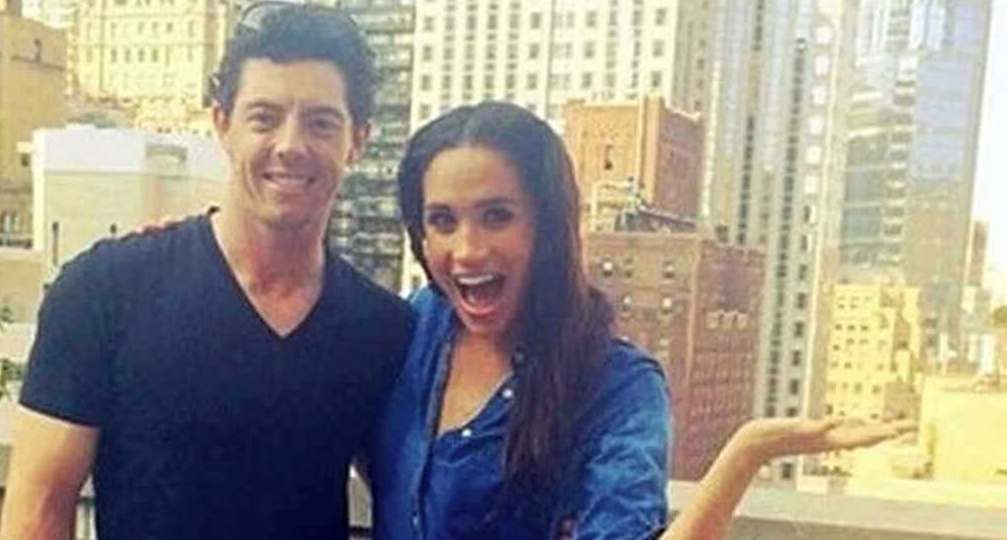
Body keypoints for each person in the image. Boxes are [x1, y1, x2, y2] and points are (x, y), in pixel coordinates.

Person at [369, 101, 913, 539]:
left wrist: (748, 451)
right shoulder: (416, 327)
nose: (467, 249)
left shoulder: (616, 385)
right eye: (443, 221)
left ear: (547, 225)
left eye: (497, 217)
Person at [0, 2, 410, 540]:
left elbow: (420, 493)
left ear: (359, 139)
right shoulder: (107, 290)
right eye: (264, 117)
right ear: (222, 124)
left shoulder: (382, 328)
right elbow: (37, 513)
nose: (290, 145)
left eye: (321, 123)